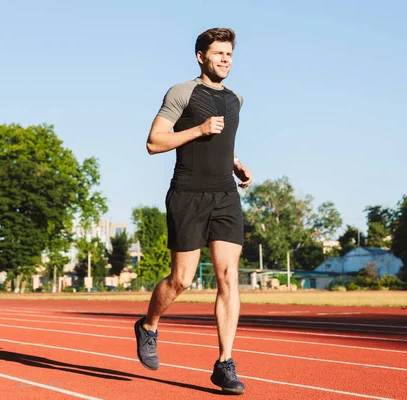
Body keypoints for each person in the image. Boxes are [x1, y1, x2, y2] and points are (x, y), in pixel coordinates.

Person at [134, 27, 252, 395]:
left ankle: (224, 363)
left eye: (229, 54)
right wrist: (199, 129)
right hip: (187, 194)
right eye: (218, 54)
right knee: (181, 279)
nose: (225, 60)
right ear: (201, 56)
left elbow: (221, 144)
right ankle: (149, 324)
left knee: (228, 277)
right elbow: (154, 143)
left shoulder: (236, 99)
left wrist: (235, 164)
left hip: (225, 196)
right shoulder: (181, 92)